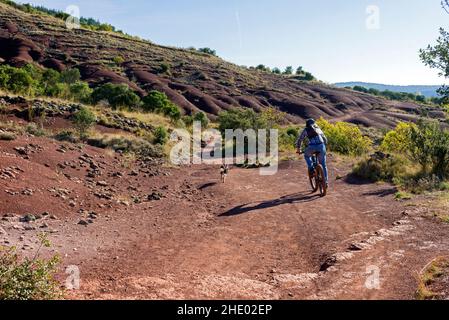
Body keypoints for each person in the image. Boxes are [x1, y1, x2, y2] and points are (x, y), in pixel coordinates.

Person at [295, 119, 329, 186]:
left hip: (311, 147)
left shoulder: (306, 129)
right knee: (323, 165)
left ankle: (311, 168)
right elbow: (325, 139)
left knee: (307, 155)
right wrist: (324, 147)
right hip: (321, 146)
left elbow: (300, 139)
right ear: (314, 123)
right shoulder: (318, 128)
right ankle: (325, 182)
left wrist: (298, 149)